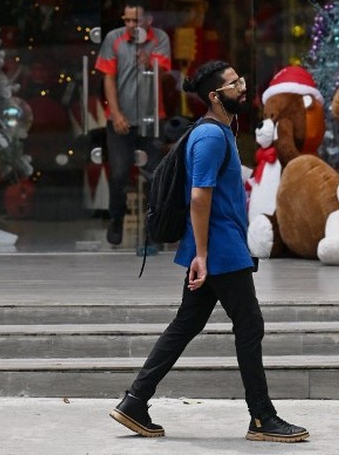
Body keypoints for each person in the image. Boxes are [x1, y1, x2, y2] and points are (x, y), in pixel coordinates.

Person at [109, 60, 308, 444]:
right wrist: (201, 254)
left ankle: (135, 401)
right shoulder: (212, 137)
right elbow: (200, 197)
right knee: (249, 325)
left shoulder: (219, 132)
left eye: (241, 79)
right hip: (218, 249)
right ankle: (262, 418)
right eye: (235, 84)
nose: (243, 87)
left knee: (187, 324)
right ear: (216, 96)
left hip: (218, 246)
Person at [94, 0, 172, 246]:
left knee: (154, 176)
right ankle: (116, 219)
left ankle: (153, 229)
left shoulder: (159, 38)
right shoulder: (113, 39)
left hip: (152, 118)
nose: (130, 25)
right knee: (118, 174)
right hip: (121, 119)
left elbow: (163, 73)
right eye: (126, 20)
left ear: (148, 20)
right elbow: (108, 79)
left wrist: (150, 63)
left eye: (135, 20)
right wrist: (115, 114)